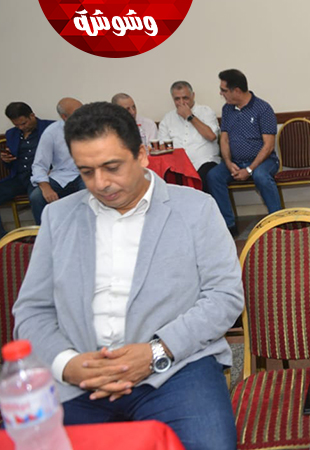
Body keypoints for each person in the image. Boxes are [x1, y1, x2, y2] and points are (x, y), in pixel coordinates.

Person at [12, 102, 243, 450]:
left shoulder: (195, 209)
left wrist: (156, 351)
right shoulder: (58, 218)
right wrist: (67, 364)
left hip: (175, 369)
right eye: (86, 171)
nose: (101, 183)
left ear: (142, 155)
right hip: (81, 376)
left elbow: (223, 297)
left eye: (112, 167)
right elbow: (32, 310)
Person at [206, 69, 281, 235]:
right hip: (235, 161)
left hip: (264, 161)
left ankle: (277, 222)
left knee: (261, 176)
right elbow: (224, 139)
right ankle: (229, 226)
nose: (221, 93)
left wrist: (249, 169)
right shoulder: (227, 109)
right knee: (213, 176)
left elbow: (268, 146)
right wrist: (228, 162)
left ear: (237, 91)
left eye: (224, 90)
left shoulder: (263, 108)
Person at [29, 97, 85, 224]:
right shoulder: (51, 132)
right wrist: (45, 187)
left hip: (86, 173)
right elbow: (39, 165)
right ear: (65, 117)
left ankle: (88, 232)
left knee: (90, 194)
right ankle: (44, 233)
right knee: (36, 197)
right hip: (62, 176)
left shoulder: (95, 128)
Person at [1, 102, 54, 237]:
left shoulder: (51, 128)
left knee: (36, 197)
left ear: (32, 115)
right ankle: (3, 239)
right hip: (19, 177)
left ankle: (43, 237)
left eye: (23, 123)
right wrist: (6, 160)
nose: (21, 127)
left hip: (41, 177)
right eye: (17, 125)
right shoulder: (11, 134)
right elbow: (11, 164)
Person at [157, 81, 220, 191]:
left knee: (204, 178)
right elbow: (162, 147)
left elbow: (211, 136)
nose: (181, 102)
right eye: (177, 99)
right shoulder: (168, 118)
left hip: (205, 162)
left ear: (193, 95)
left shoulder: (206, 111)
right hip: (178, 167)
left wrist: (190, 116)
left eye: (185, 98)